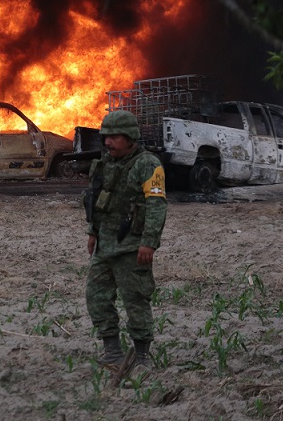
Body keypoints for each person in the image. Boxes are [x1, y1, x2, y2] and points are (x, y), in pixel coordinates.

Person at [84, 110, 167, 379]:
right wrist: (93, 232)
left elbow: (156, 206)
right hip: (105, 245)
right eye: (105, 137)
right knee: (96, 297)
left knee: (136, 300)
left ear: (130, 138)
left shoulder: (148, 164)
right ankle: (112, 351)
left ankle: (142, 355)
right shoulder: (106, 163)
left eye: (115, 137)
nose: (108, 142)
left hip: (132, 248)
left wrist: (149, 243)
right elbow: (98, 199)